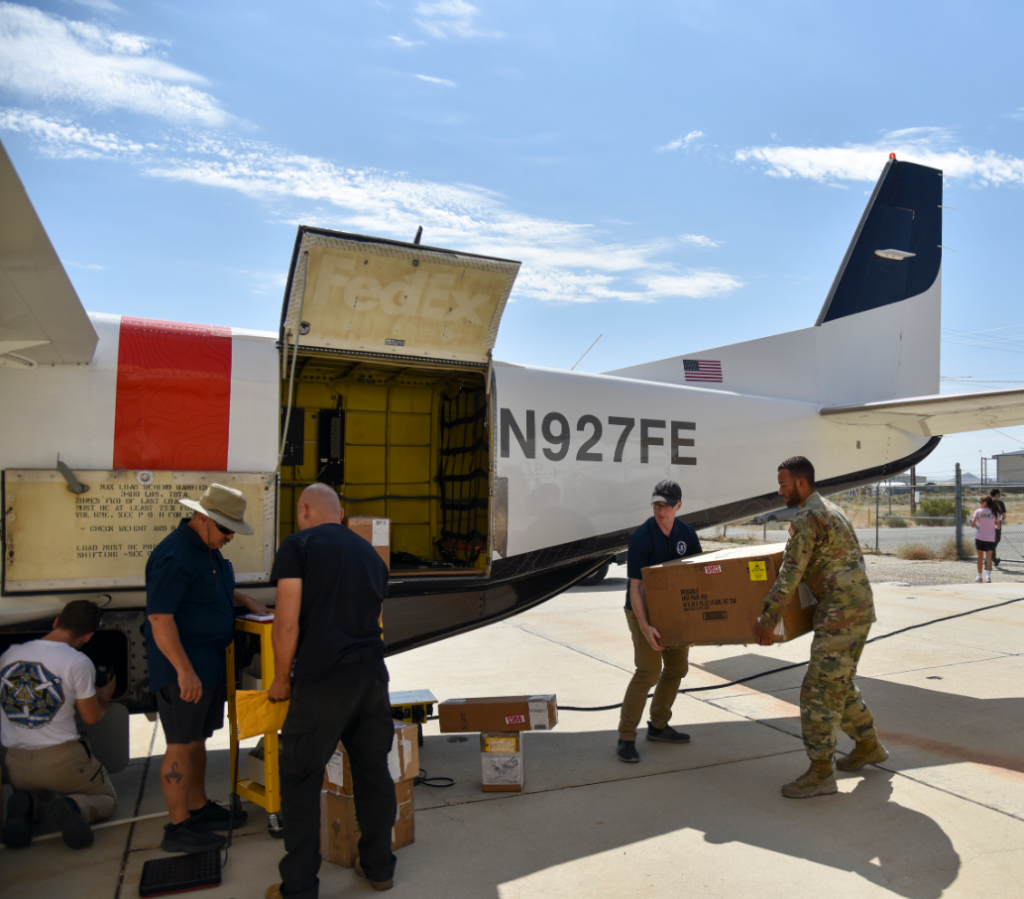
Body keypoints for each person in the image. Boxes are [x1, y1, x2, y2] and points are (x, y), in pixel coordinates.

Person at [265, 484, 396, 899]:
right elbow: (374, 618)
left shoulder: (298, 545)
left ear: (304, 510)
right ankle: (379, 868)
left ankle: (299, 887)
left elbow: (286, 621)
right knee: (373, 770)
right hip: (372, 675)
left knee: (301, 779)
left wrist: (282, 677)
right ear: (340, 515)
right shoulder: (371, 557)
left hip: (323, 680)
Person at [145, 483, 270, 854]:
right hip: (185, 668)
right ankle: (178, 826)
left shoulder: (206, 548)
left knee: (197, 738)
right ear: (203, 518)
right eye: (226, 529)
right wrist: (184, 671)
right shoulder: (176, 555)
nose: (231, 537)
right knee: (181, 743)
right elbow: (160, 617)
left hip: (207, 664)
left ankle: (197, 807)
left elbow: (213, 591)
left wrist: (246, 599)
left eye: (233, 530)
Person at [753, 456, 887, 799]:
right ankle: (868, 744)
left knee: (817, 691)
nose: (779, 491)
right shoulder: (832, 509)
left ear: (800, 483)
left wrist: (768, 620)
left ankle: (821, 772)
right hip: (858, 609)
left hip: (840, 612)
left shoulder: (809, 516)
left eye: (783, 485)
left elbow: (790, 573)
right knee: (837, 682)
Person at [1, 600, 117, 849]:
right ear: (88, 636)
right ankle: (72, 806)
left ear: (56, 622)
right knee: (106, 798)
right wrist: (105, 694)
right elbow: (91, 716)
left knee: (39, 796)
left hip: (15, 763)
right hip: (59, 763)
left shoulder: (10, 654)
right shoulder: (78, 661)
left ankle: (25, 802)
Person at [616, 480, 702, 764]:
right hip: (642, 610)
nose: (660, 510)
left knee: (678, 667)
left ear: (678, 505)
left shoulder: (686, 535)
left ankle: (659, 725)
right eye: (656, 505)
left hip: (673, 610)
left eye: (666, 505)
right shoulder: (642, 537)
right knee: (648, 670)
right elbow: (636, 587)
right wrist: (644, 626)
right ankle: (626, 737)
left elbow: (696, 576)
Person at [971, 495, 1000, 583]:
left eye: (981, 502)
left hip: (980, 537)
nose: (980, 504)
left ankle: (979, 576)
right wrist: (993, 526)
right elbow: (998, 527)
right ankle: (988, 577)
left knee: (980, 558)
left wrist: (971, 523)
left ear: (985, 503)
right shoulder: (995, 512)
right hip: (990, 538)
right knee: (988, 558)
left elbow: (973, 525)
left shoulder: (978, 511)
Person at [989, 488, 1007, 567]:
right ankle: (991, 560)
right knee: (994, 542)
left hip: (987, 526)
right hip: (996, 526)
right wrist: (1000, 521)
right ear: (997, 494)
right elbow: (1004, 516)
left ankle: (993, 560)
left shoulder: (986, 503)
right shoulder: (1000, 503)